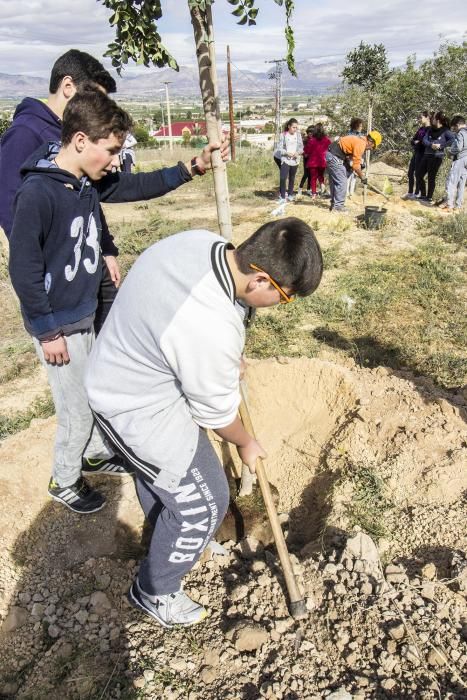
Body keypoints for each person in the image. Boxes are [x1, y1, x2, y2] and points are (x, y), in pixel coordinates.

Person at [84, 215, 323, 627]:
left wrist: (223, 360)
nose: (282, 307)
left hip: (122, 373)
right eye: (285, 298)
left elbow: (187, 339)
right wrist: (245, 442)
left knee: (163, 481)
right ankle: (154, 591)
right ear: (261, 280)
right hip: (134, 408)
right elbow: (217, 416)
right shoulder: (210, 326)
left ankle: (174, 540)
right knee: (207, 501)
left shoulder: (200, 243)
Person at [8, 89, 229, 515]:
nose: (114, 161)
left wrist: (192, 167)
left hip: (82, 312)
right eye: (110, 150)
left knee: (90, 392)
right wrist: (46, 329)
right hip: (58, 325)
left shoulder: (83, 181)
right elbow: (24, 269)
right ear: (79, 141)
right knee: (74, 406)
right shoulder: (38, 194)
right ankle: (65, 478)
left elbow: (135, 186)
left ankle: (93, 453)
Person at [0, 49, 120, 334]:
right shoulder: (25, 134)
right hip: (61, 270)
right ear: (68, 87)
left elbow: (87, 198)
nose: (96, 107)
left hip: (88, 256)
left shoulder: (67, 132)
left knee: (110, 335)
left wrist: (106, 248)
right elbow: (10, 208)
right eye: (93, 97)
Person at [325, 130, 382, 212]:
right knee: (342, 181)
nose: (370, 149)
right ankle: (338, 207)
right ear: (371, 142)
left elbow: (350, 157)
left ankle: (334, 204)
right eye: (372, 147)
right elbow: (356, 165)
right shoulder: (361, 144)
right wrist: (362, 177)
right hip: (335, 156)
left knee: (335, 181)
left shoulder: (359, 139)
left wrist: (353, 166)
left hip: (331, 154)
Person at [416, 111, 454, 205]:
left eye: (433, 118)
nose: (431, 119)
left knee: (431, 177)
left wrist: (441, 145)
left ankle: (429, 198)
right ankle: (423, 195)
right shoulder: (430, 130)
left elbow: (452, 140)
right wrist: (431, 144)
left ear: (437, 120)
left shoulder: (446, 131)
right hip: (426, 155)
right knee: (419, 174)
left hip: (436, 157)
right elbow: (424, 140)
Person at [440, 115, 467, 212]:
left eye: (454, 127)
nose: (454, 130)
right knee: (461, 184)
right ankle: (458, 206)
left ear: (458, 125)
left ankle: (449, 204)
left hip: (459, 159)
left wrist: (450, 152)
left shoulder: (461, 133)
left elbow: (459, 147)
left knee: (451, 182)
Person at [402, 111, 431, 200]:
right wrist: (416, 142)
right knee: (410, 172)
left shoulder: (429, 129)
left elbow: (425, 142)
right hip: (416, 153)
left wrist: (419, 142)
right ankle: (410, 192)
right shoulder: (420, 129)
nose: (419, 119)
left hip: (423, 154)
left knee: (418, 174)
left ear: (427, 117)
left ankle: (417, 192)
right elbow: (413, 140)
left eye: (421, 117)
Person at [273, 118, 304, 203]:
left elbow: (301, 147)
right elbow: (279, 148)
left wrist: (298, 153)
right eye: (294, 127)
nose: (295, 129)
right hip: (285, 159)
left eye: (296, 127)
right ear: (289, 126)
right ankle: (282, 196)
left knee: (292, 177)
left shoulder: (298, 135)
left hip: (295, 160)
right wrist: (287, 153)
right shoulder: (283, 135)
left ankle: (290, 194)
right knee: (283, 177)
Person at [303, 123, 331, 199]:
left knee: (313, 178)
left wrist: (305, 154)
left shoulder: (311, 140)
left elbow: (306, 151)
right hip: (322, 161)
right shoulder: (327, 140)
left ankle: (314, 194)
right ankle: (322, 186)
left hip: (313, 162)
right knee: (321, 176)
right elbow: (330, 149)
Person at [346, 118, 365, 199]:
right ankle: (346, 192)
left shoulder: (360, 135)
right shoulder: (350, 134)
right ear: (356, 126)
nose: (361, 127)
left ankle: (351, 192)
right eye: (360, 126)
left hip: (358, 156)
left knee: (354, 175)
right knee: (349, 174)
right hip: (351, 156)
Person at [297, 125, 314, 196]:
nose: (310, 133)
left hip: (313, 159)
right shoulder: (305, 140)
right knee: (306, 174)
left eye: (312, 132)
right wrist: (304, 154)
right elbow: (301, 149)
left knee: (311, 175)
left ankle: (308, 189)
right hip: (307, 159)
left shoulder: (315, 140)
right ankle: (300, 189)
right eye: (309, 132)